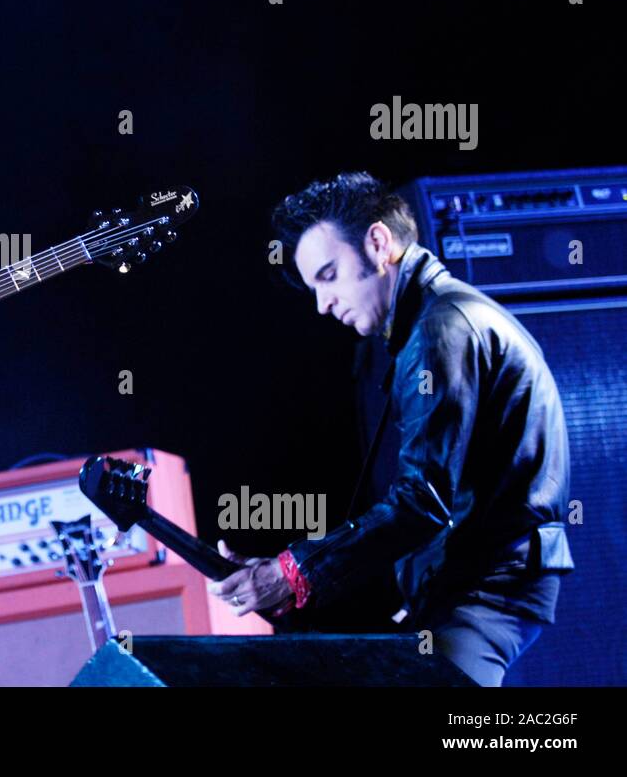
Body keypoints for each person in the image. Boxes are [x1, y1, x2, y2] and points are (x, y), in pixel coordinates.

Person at [208, 172, 573, 686]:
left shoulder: (441, 330)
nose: (322, 304)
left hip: (487, 590)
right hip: (471, 584)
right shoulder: (435, 322)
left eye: (329, 275)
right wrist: (290, 572)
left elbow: (421, 500)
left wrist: (292, 571)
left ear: (378, 244)